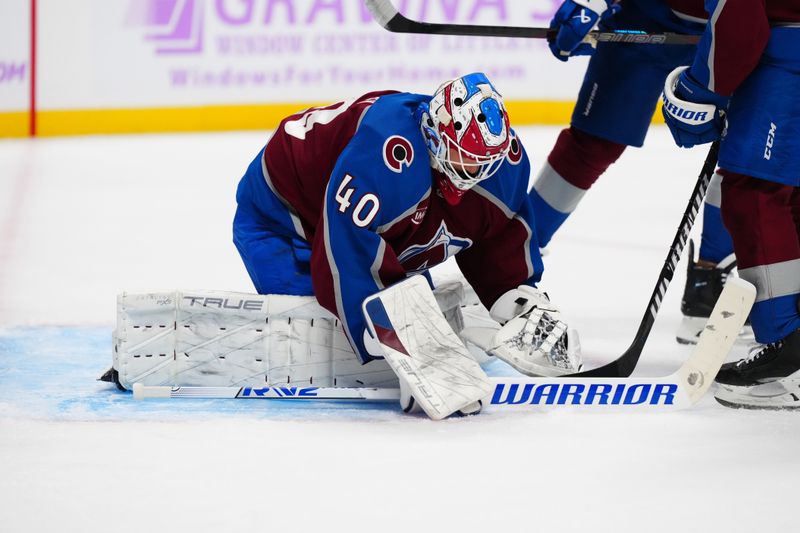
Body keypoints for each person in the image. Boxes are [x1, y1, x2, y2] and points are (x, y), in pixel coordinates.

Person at [232, 72, 582, 389]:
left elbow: (498, 235)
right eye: (465, 158)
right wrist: (393, 334)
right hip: (281, 215)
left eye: (485, 161)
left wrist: (518, 300)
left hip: (367, 214)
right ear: (435, 136)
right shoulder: (385, 154)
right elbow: (345, 247)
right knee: (312, 332)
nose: (476, 171)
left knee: (413, 312)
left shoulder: (500, 164)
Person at [541, 0, 742, 344]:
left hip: (739, 23)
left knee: (748, 155)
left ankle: (712, 284)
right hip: (647, 13)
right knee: (592, 143)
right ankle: (512, 251)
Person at [660, 1, 800, 408]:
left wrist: (700, 88)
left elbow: (740, 23)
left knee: (756, 193)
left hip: (788, 58)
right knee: (790, 193)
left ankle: (788, 355)